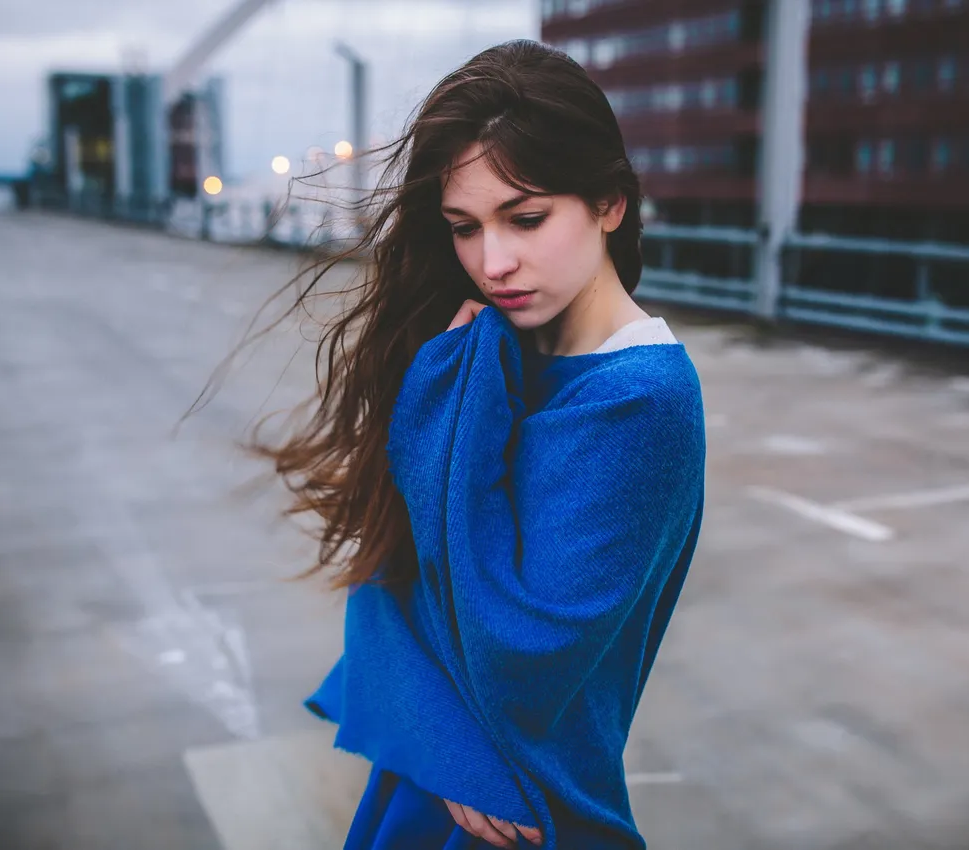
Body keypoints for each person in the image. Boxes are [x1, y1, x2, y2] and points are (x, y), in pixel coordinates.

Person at [259, 40, 707, 848]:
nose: (493, 262)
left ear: (611, 202)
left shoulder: (641, 401)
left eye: (526, 218)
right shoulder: (489, 352)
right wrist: (445, 741)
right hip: (443, 780)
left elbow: (516, 655)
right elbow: (386, 576)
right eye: (465, 227)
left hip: (522, 812)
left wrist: (441, 419)